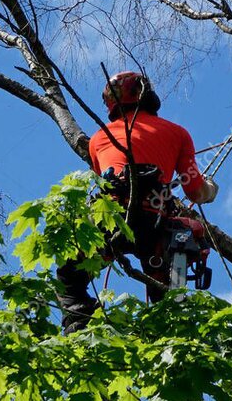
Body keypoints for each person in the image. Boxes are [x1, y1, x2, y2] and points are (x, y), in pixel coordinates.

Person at [57, 71, 219, 333]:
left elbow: (106, 181)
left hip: (109, 224)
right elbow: (195, 191)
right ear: (146, 95)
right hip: (154, 224)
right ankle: (172, 333)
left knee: (69, 279)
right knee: (169, 298)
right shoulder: (177, 133)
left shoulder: (98, 139)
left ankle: (83, 330)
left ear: (112, 103)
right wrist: (210, 190)